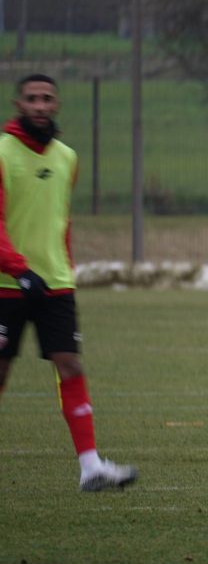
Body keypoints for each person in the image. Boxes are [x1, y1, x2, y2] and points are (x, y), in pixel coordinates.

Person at [0, 74, 138, 492]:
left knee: (71, 365)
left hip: (55, 284)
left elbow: (60, 220)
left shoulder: (67, 158)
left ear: (57, 104)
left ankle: (91, 467)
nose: (40, 105)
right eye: (32, 98)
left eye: (47, 98)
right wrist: (19, 270)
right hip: (7, 284)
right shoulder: (2, 153)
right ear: (19, 104)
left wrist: (64, 270)